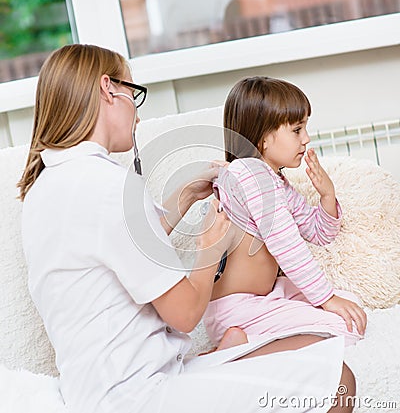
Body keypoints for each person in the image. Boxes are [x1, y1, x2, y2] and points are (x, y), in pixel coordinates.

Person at [18, 45, 356, 413]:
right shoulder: (108, 188)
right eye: (134, 94)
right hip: (139, 395)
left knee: (312, 344)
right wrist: (208, 246)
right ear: (108, 89)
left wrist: (181, 201)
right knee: (339, 380)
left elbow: (120, 248)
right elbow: (183, 315)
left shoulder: (45, 190)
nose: (137, 114)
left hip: (104, 389)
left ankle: (227, 356)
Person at [203, 76, 368, 351]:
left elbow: (319, 233)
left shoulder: (273, 180)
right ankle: (241, 346)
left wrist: (327, 195)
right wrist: (325, 299)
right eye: (297, 130)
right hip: (235, 308)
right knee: (344, 328)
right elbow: (287, 245)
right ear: (264, 138)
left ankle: (245, 341)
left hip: (261, 299)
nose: (306, 138)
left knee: (351, 304)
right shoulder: (251, 175)